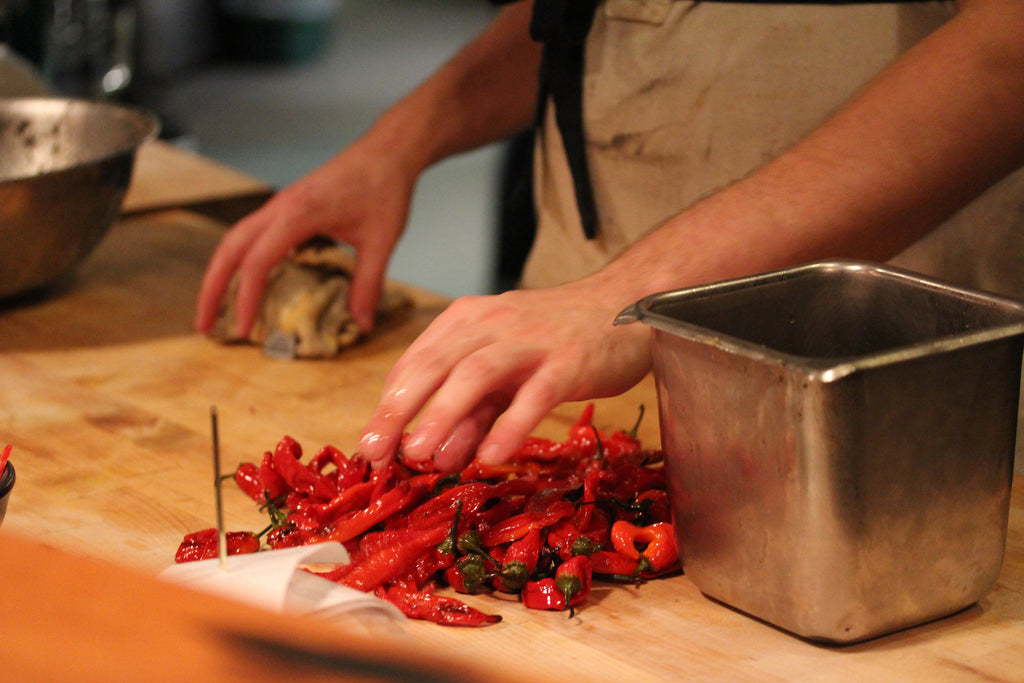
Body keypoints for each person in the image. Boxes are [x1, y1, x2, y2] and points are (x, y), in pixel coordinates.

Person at [196, 0, 1024, 474]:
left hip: (873, 398)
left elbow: (1005, 52)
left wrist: (623, 298)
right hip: (564, 366)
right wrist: (401, 143)